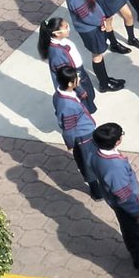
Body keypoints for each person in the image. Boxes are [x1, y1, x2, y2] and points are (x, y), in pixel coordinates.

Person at [92, 123, 139, 277]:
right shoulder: (114, 166)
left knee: (129, 231)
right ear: (117, 141)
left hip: (118, 203)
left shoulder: (96, 154)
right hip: (129, 206)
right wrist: (137, 213)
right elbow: (124, 195)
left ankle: (138, 256)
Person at [61, 0, 124, 92]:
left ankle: (105, 78)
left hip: (94, 25)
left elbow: (93, 4)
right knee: (97, 55)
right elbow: (86, 16)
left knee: (99, 53)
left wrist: (102, 18)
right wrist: (100, 22)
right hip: (89, 30)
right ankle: (104, 84)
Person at [52, 65, 100, 197]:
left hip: (84, 134)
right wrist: (71, 143)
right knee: (87, 163)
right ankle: (96, 191)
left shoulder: (59, 94)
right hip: (83, 137)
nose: (78, 78)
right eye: (76, 78)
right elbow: (68, 128)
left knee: (90, 160)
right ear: (69, 83)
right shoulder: (67, 105)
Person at [39, 17, 98, 108]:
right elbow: (67, 76)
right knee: (84, 104)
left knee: (89, 98)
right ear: (57, 33)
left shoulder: (61, 42)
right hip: (75, 80)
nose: (69, 28)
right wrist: (80, 90)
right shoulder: (57, 53)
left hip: (79, 74)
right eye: (66, 27)